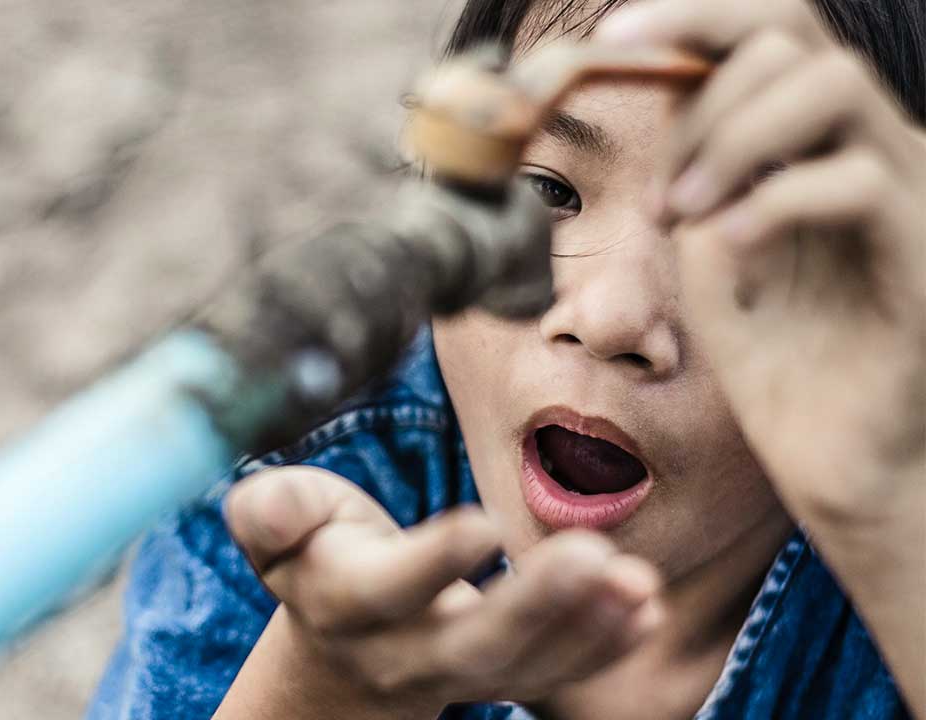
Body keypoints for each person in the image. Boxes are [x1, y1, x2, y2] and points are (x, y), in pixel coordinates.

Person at [88, 0, 926, 717]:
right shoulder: (299, 481)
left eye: (753, 235)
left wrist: (887, 512)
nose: (608, 319)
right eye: (546, 191)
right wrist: (329, 680)